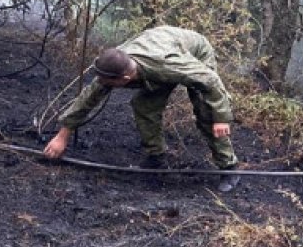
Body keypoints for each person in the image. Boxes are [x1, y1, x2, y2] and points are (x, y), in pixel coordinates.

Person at [44, 25, 240, 192]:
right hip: (161, 48)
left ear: (125, 79)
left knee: (207, 111)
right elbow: (88, 98)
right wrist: (62, 135)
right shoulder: (115, 63)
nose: (102, 84)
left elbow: (211, 81)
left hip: (193, 51)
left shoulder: (167, 65)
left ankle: (228, 166)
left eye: (108, 82)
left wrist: (221, 118)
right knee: (145, 106)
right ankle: (156, 156)